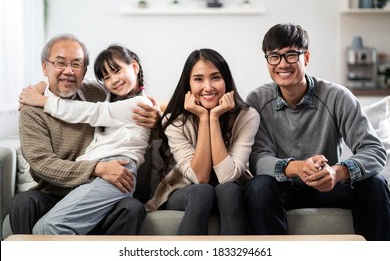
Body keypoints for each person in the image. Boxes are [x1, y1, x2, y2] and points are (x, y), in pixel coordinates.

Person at [244, 23, 390, 241]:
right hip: (284, 187)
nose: (282, 64)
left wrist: (338, 172)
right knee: (258, 187)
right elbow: (257, 159)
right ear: (267, 61)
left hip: (329, 186)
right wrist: (298, 167)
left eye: (291, 55)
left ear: (307, 57)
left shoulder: (337, 97)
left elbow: (374, 150)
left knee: (375, 184)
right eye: (274, 56)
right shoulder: (257, 100)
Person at [11, 34, 161, 235]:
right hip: (59, 189)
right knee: (25, 203)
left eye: (76, 64)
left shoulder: (98, 93)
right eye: (60, 63)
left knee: (131, 207)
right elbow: (42, 163)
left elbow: (97, 111)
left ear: (84, 71)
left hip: (109, 176)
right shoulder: (32, 109)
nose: (68, 71)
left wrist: (157, 120)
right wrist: (96, 168)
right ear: (45, 67)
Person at [145, 48, 260, 235]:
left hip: (232, 192)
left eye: (215, 77)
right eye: (198, 79)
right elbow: (200, 178)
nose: (208, 87)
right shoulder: (175, 121)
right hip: (186, 190)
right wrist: (204, 118)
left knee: (228, 190)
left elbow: (227, 176)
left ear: (226, 81)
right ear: (188, 84)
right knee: (202, 191)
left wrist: (213, 118)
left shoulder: (247, 116)